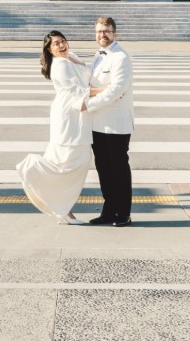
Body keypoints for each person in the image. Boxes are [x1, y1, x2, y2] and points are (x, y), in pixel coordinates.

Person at [16, 31, 102, 224]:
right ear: (49, 49)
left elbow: (87, 77)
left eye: (63, 41)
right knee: (67, 162)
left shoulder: (71, 57)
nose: (62, 45)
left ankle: (63, 207)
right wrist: (108, 90)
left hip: (78, 115)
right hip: (67, 116)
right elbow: (79, 91)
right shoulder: (60, 65)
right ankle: (36, 175)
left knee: (75, 161)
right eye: (56, 44)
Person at [84, 15, 135, 226]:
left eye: (106, 31)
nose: (102, 35)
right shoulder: (98, 55)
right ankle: (109, 210)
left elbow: (116, 91)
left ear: (114, 33)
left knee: (119, 169)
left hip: (116, 124)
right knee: (104, 169)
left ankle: (123, 213)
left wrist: (88, 104)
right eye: (99, 31)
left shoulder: (121, 58)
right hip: (97, 124)